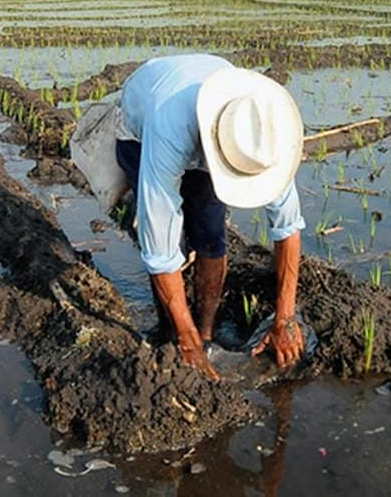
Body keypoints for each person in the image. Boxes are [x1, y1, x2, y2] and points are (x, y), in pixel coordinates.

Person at [71, 54, 306, 381]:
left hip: (211, 132)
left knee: (210, 234)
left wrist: (285, 319)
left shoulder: (262, 139)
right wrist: (184, 335)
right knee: (171, 241)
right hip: (139, 135)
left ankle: (206, 336)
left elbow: (288, 228)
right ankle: (172, 334)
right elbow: (160, 253)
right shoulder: (169, 129)